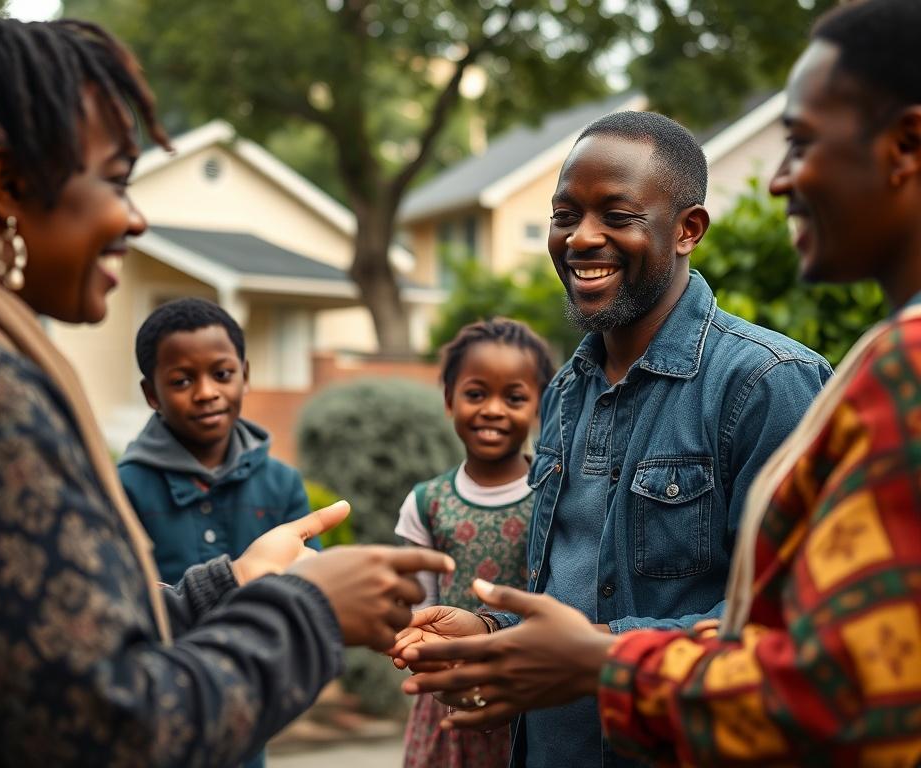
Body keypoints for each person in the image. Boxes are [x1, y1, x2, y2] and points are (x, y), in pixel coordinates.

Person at [0, 3, 453, 766]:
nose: (133, 218)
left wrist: (234, 583)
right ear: (5, 184)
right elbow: (114, 729)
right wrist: (312, 608)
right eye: (115, 180)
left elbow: (44, 651)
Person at [398, 0, 921, 765]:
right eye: (564, 214)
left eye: (615, 213)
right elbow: (577, 598)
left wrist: (598, 659)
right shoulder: (566, 389)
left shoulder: (772, 383)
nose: (581, 238)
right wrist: (496, 639)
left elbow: (789, 647)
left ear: (687, 230)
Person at [394, 318, 555, 767]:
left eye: (515, 397)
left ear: (539, 406)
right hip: (448, 698)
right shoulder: (426, 502)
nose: (494, 410)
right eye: (476, 393)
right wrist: (426, 653)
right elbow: (419, 606)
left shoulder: (552, 495)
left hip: (531, 693)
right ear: (449, 400)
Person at [121, 297, 317, 591]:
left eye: (222, 374)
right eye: (182, 381)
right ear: (152, 394)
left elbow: (312, 585)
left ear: (245, 376)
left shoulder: (282, 483)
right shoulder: (124, 488)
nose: (206, 392)